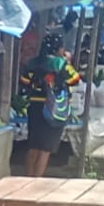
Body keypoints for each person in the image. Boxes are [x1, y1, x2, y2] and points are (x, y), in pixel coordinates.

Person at [18, 32, 82, 179]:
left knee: (33, 146)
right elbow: (75, 79)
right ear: (58, 48)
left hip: (35, 107)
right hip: (53, 108)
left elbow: (24, 81)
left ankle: (28, 177)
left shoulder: (33, 62)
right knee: (45, 149)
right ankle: (37, 180)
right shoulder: (60, 63)